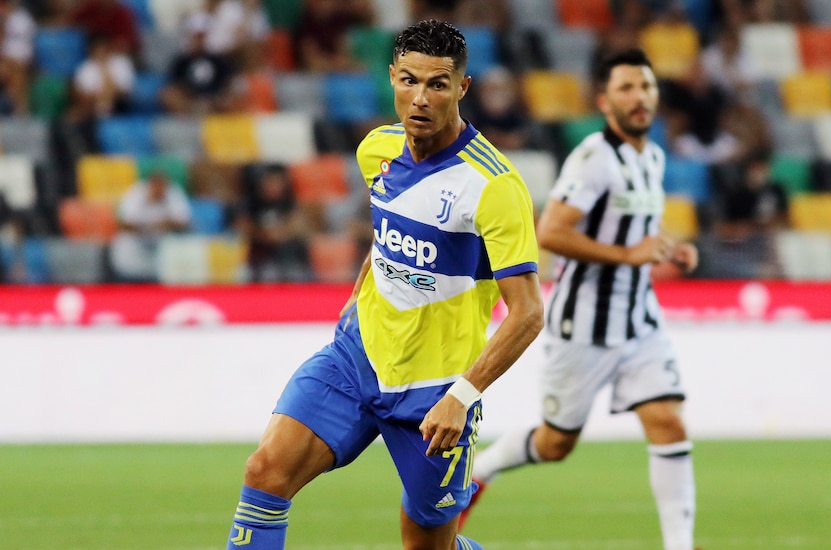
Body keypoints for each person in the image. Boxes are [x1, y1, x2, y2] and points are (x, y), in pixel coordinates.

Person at [223, 20, 543, 550]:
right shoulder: (377, 150)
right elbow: (386, 232)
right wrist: (356, 298)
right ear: (392, 77)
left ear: (462, 88)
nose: (420, 97)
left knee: (424, 544)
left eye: (438, 84)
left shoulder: (494, 186)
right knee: (265, 473)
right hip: (358, 357)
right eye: (409, 80)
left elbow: (529, 312)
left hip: (437, 390)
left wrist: (462, 396)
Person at [461, 49, 699, 550]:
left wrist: (669, 250)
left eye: (647, 87)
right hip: (583, 323)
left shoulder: (651, 156)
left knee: (668, 420)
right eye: (628, 88)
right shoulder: (593, 158)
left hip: (639, 318)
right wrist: (625, 253)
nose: (640, 98)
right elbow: (549, 232)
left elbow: (636, 232)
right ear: (604, 100)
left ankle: (679, 544)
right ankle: (483, 469)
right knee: (555, 443)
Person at [108, 171, 192, 282]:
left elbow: (185, 222)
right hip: (134, 249)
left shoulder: (174, 193)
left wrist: (167, 223)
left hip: (161, 251)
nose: (159, 190)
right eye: (155, 187)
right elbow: (123, 224)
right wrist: (149, 226)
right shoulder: (135, 193)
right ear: (149, 185)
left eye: (162, 187)